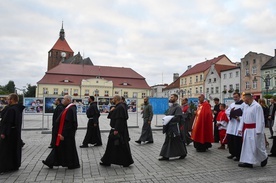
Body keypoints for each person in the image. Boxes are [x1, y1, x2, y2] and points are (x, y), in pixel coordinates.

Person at [42, 95, 80, 169]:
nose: (62, 101)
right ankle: (51, 161)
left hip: (67, 133)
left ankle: (72, 163)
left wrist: (63, 134)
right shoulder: (68, 108)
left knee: (66, 148)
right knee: (59, 147)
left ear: (68, 100)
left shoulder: (70, 109)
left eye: (64, 99)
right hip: (64, 132)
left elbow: (69, 123)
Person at [100, 95, 134, 167]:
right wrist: (111, 111)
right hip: (118, 129)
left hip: (117, 130)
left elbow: (120, 119)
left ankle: (126, 161)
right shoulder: (118, 106)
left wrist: (116, 130)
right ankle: (108, 160)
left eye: (113, 99)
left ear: (116, 99)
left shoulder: (120, 107)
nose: (112, 100)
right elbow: (110, 117)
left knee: (120, 145)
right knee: (116, 146)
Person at [237, 93, 268, 168]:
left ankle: (264, 157)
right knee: (248, 146)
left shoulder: (257, 106)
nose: (244, 101)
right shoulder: (246, 106)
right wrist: (240, 128)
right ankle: (249, 162)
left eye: (244, 99)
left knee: (257, 146)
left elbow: (260, 119)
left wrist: (258, 130)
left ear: (248, 98)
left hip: (254, 129)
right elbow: (243, 118)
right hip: (247, 129)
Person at [0, 93, 25, 173]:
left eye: (8, 99)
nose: (7, 100)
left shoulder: (11, 109)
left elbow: (7, 122)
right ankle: (14, 165)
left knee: (5, 150)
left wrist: (3, 133)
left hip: (9, 133)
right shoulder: (17, 108)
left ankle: (4, 167)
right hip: (15, 132)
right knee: (14, 149)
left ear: (12, 100)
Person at [159, 94, 187, 161]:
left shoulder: (178, 107)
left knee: (177, 140)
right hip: (169, 126)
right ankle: (165, 155)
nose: (171, 98)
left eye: (172, 97)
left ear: (176, 98)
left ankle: (183, 153)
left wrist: (169, 118)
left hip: (174, 127)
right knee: (168, 141)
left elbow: (178, 117)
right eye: (170, 97)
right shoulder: (171, 107)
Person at [225, 92, 244, 161]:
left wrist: (239, 118)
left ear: (239, 97)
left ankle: (238, 155)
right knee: (231, 140)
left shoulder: (243, 105)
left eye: (236, 97)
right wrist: (231, 114)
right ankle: (232, 153)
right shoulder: (232, 104)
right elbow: (227, 111)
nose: (235, 98)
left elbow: (245, 114)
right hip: (232, 124)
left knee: (237, 141)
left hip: (238, 124)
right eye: (234, 97)